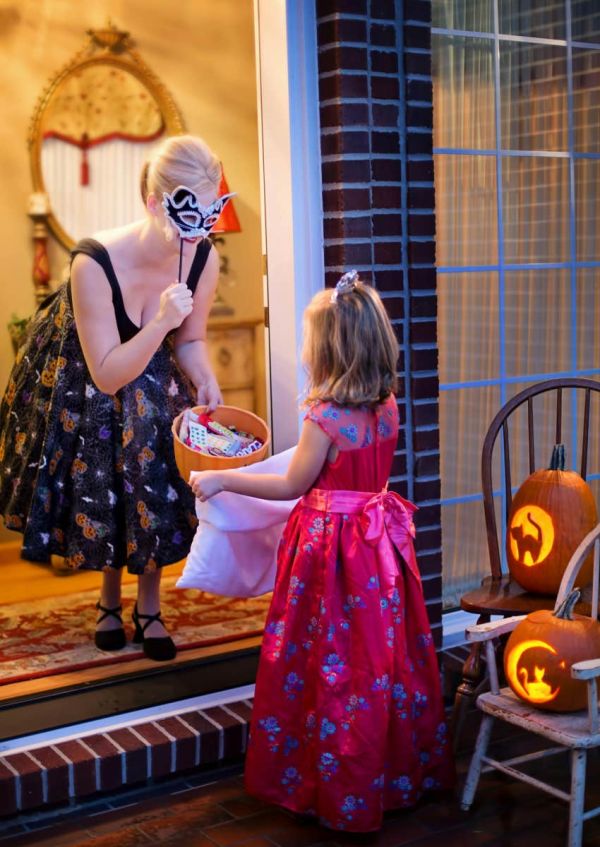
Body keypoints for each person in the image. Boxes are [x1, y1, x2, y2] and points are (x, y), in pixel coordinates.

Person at [189, 272, 455, 832]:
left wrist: (225, 482)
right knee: (376, 662)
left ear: (327, 351)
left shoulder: (324, 418)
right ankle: (388, 776)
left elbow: (292, 486)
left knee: (326, 662)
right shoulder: (387, 407)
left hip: (331, 556)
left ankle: (329, 787)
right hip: (378, 550)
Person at [0, 134, 224, 661]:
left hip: (151, 364)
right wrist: (162, 320)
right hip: (87, 368)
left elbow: (190, 340)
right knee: (102, 474)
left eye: (209, 214)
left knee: (156, 472)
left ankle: (149, 606)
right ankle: (107, 599)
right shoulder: (93, 262)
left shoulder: (202, 257)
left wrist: (205, 375)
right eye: (187, 214)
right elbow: (107, 373)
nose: (195, 234)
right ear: (153, 202)